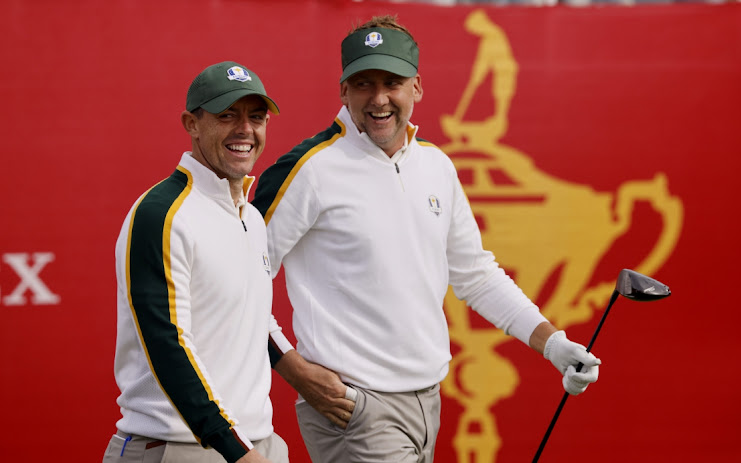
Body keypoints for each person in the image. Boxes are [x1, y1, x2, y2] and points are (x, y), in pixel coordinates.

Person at [252, 16, 601, 463]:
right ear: (343, 91)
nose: (379, 99)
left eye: (392, 82)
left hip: (428, 401)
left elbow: (475, 276)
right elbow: (239, 281)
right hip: (353, 408)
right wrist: (294, 370)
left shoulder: (436, 166)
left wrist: (554, 344)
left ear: (416, 87)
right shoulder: (307, 169)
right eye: (363, 84)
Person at [103, 61, 292, 463]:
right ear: (192, 123)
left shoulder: (251, 217)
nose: (245, 129)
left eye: (256, 117)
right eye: (227, 115)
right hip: (179, 447)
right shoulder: (161, 213)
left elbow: (252, 321)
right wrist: (237, 450)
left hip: (258, 445)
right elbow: (167, 344)